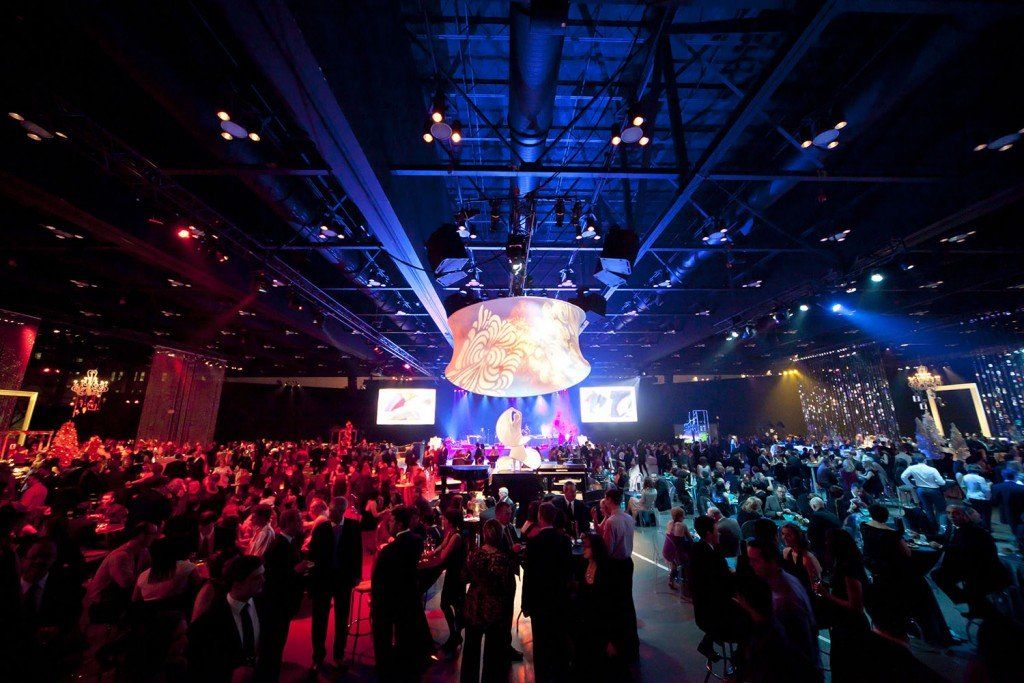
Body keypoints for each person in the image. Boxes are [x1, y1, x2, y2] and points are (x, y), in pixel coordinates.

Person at [187, 554, 271, 682]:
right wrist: (227, 675)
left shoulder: (265, 604)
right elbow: (201, 661)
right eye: (256, 578)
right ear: (237, 584)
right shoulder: (212, 618)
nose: (263, 581)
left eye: (263, 575)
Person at [371, 505, 431, 679]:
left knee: (384, 635)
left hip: (390, 599)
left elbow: (379, 580)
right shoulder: (417, 541)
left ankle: (386, 669)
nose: (388, 524)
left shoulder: (388, 551)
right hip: (410, 594)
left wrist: (375, 601)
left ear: (398, 524)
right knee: (406, 633)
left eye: (391, 521)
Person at [745, 538, 820, 674]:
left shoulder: (784, 599)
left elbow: (786, 647)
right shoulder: (788, 579)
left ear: (771, 561)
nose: (751, 564)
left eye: (755, 560)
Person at [307, 496, 362, 671]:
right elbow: (313, 555)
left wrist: (356, 575)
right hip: (323, 579)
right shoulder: (321, 528)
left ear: (342, 511)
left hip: (343, 579)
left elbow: (357, 553)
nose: (330, 514)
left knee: (341, 618)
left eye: (334, 511)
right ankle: (318, 657)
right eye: (329, 510)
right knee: (319, 620)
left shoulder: (353, 527)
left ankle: (339, 655)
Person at [932, 505, 1011, 618]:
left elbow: (965, 550)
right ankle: (968, 601)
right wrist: (925, 537)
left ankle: (978, 606)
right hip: (969, 566)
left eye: (956, 514)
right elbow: (945, 539)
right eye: (949, 513)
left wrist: (940, 546)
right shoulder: (955, 527)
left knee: (941, 575)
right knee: (938, 574)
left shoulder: (974, 531)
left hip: (984, 570)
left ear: (966, 516)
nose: (951, 517)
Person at [523, 502, 573, 682]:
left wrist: (525, 603)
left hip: (539, 601)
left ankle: (542, 677)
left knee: (541, 643)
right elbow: (568, 570)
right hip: (559, 599)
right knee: (559, 639)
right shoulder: (564, 541)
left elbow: (529, 576)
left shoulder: (533, 542)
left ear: (540, 517)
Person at [461, 519, 515, 683]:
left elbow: (464, 577)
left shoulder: (473, 555)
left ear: (484, 535)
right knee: (493, 652)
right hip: (494, 608)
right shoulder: (502, 559)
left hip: (474, 605)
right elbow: (506, 586)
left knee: (471, 648)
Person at [571, 533, 629, 680]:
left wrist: (612, 639)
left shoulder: (608, 569)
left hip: (602, 624)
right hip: (587, 623)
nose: (583, 549)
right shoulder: (584, 564)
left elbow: (614, 606)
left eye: (586, 547)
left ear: (595, 549)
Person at [688, 515, 745, 662]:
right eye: (715, 530)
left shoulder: (699, 548)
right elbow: (720, 582)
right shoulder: (709, 554)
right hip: (713, 612)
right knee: (749, 621)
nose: (718, 533)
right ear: (708, 534)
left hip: (705, 608)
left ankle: (707, 643)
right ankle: (740, 659)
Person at [816, 529, 869, 682]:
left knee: (845, 668)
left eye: (828, 541)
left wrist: (827, 596)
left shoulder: (848, 570)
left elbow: (855, 606)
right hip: (845, 623)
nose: (826, 544)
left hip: (850, 626)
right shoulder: (846, 563)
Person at [595, 488, 640, 660]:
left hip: (615, 566)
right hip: (628, 563)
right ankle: (630, 641)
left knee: (615, 603)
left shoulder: (611, 521)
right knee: (627, 601)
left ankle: (617, 642)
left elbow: (608, 549)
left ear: (608, 499)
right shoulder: (628, 518)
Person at [261, 507, 306, 679]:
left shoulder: (289, 541)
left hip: (284, 602)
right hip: (278, 603)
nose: (301, 524)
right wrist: (296, 570)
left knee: (278, 641)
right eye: (298, 521)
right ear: (288, 523)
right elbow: (273, 576)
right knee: (274, 641)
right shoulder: (279, 544)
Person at [86, 521, 159, 622]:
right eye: (153, 534)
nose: (155, 537)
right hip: (103, 600)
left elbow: (148, 572)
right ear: (142, 535)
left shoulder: (143, 550)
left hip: (118, 593)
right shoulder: (121, 556)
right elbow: (126, 584)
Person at [419, 507, 468, 653]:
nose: (442, 520)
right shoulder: (451, 533)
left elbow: (443, 556)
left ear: (450, 521)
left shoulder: (456, 536)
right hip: (453, 575)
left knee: (448, 604)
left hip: (456, 576)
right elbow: (440, 548)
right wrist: (428, 554)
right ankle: (455, 635)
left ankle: (456, 635)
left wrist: (427, 560)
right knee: (451, 604)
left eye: (445, 518)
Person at [133, 536, 200, 603]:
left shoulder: (142, 578)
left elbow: (134, 602)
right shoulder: (187, 567)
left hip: (150, 613)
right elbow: (199, 589)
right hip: (181, 611)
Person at [900, 455, 947, 529]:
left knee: (928, 509)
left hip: (921, 490)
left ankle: (933, 528)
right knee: (941, 509)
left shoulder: (912, 468)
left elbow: (903, 476)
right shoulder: (932, 469)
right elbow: (941, 482)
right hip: (934, 489)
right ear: (925, 460)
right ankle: (943, 527)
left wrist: (910, 485)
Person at [779, 523, 821, 595]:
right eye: (783, 534)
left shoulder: (807, 558)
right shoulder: (786, 552)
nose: (784, 537)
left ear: (798, 536)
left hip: (805, 594)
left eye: (788, 535)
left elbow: (815, 584)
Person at [662, 507, 692, 591]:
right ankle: (687, 582)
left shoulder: (669, 523)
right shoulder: (683, 525)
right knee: (688, 560)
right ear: (680, 516)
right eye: (683, 516)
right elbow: (690, 539)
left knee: (674, 564)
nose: (684, 517)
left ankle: (671, 580)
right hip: (676, 555)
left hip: (666, 552)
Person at [805, 497, 840, 565]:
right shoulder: (832, 514)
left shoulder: (816, 516)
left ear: (814, 506)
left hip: (825, 549)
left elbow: (810, 535)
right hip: (838, 545)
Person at [990, 468, 1024, 535]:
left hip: (1004, 512)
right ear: (1015, 476)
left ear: (1003, 476)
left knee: (1012, 527)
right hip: (1020, 512)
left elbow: (994, 501)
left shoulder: (995, 487)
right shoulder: (1021, 488)